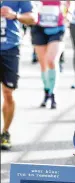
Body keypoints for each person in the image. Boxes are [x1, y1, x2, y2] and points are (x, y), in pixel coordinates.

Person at [0, 1, 37, 150]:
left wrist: (15, 15)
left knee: (8, 93)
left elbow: (33, 18)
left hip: (10, 49)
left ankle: (5, 131)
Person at [31, 0, 67, 109]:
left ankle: (53, 93)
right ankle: (46, 92)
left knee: (51, 60)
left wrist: (68, 11)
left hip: (57, 29)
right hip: (39, 29)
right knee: (43, 64)